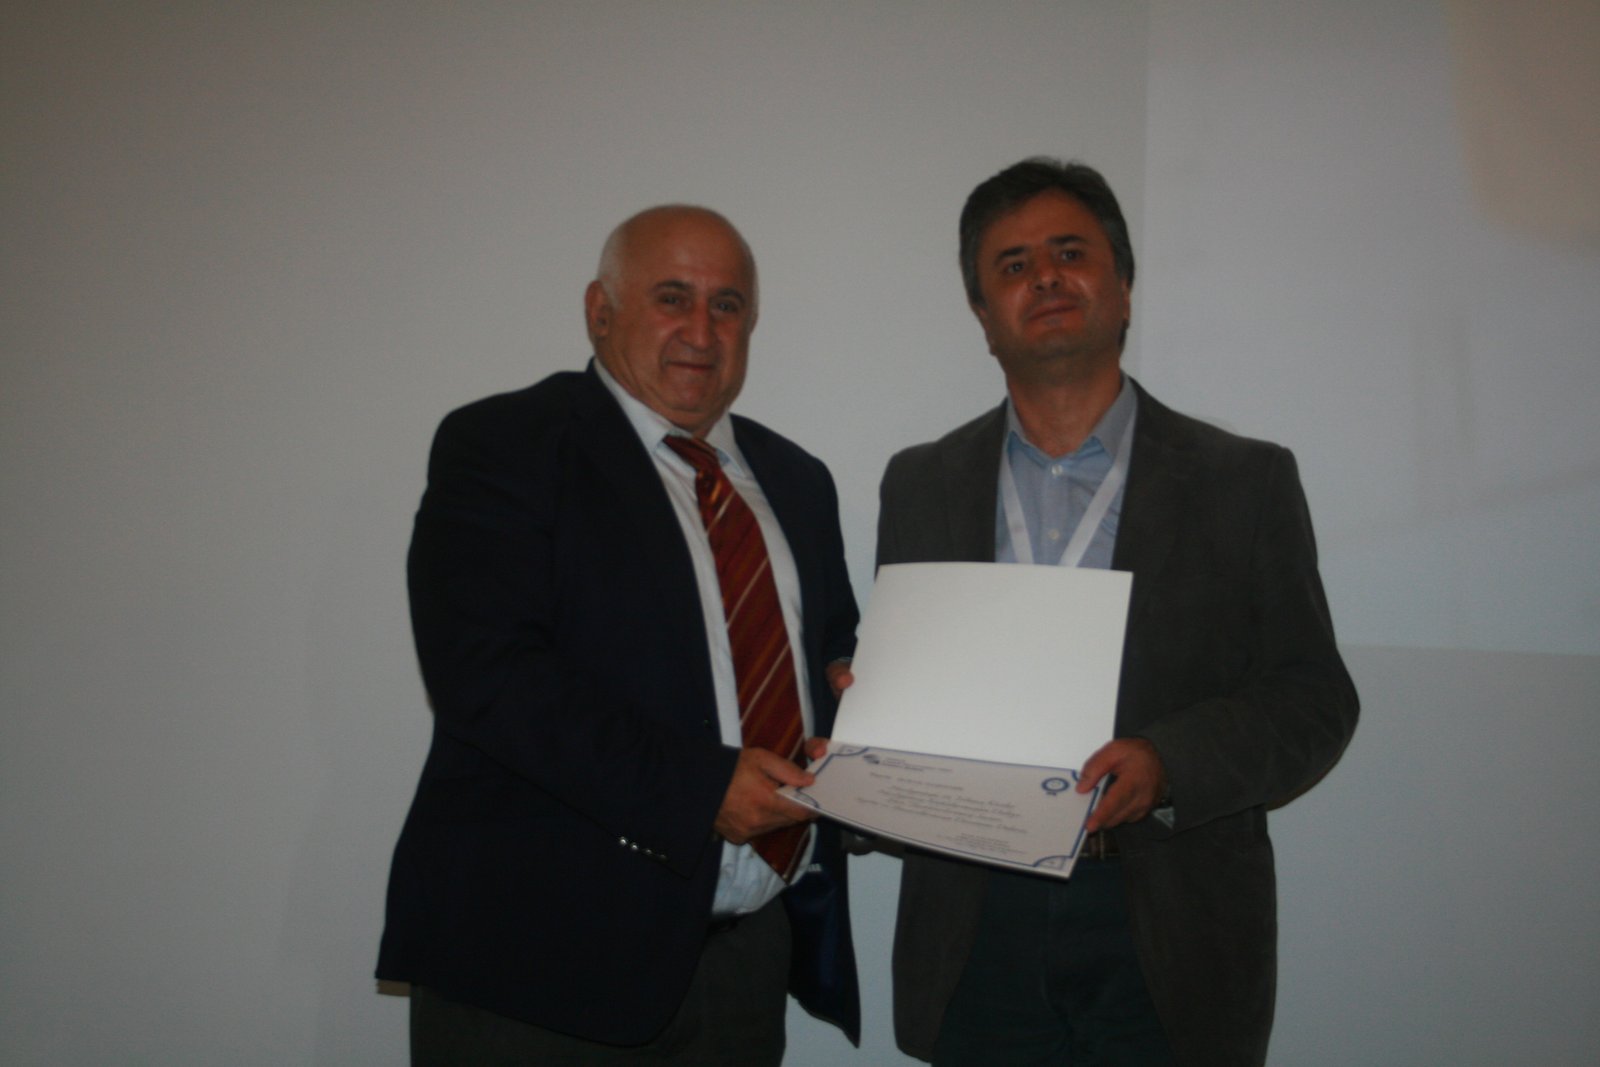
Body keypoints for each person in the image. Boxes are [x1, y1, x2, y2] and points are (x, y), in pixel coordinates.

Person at [874, 159, 1358, 1065]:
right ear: (982, 314)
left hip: (1170, 926)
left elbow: (1315, 697)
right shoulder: (920, 482)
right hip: (978, 924)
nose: (1045, 278)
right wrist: (871, 715)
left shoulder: (1245, 480)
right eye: (1012, 265)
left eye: (1070, 253)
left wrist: (1169, 763)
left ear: (1123, 286)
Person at [377, 205, 860, 1065]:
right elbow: (487, 676)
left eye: (727, 304)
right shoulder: (506, 445)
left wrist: (861, 692)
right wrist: (700, 788)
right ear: (599, 312)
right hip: (540, 974)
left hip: (743, 968)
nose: (701, 330)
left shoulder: (797, 478)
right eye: (672, 297)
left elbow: (830, 642)